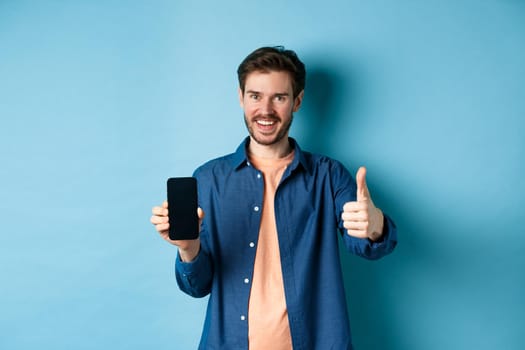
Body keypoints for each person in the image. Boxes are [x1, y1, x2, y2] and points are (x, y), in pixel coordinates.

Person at [150, 46, 397, 350]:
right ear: (241, 98)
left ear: (297, 101)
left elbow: (365, 245)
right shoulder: (208, 179)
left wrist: (375, 226)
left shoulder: (328, 175)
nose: (265, 110)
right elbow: (197, 286)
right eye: (255, 96)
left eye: (279, 97)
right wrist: (188, 248)